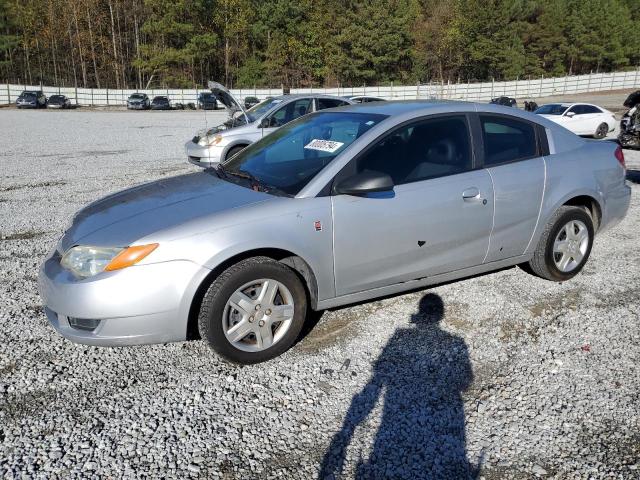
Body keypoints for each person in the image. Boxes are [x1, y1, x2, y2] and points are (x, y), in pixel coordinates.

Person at [319, 293, 478, 479]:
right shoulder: (457, 341)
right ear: (441, 315)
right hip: (444, 416)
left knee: (388, 452)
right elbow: (466, 381)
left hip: (393, 411)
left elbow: (380, 370)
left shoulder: (400, 335)